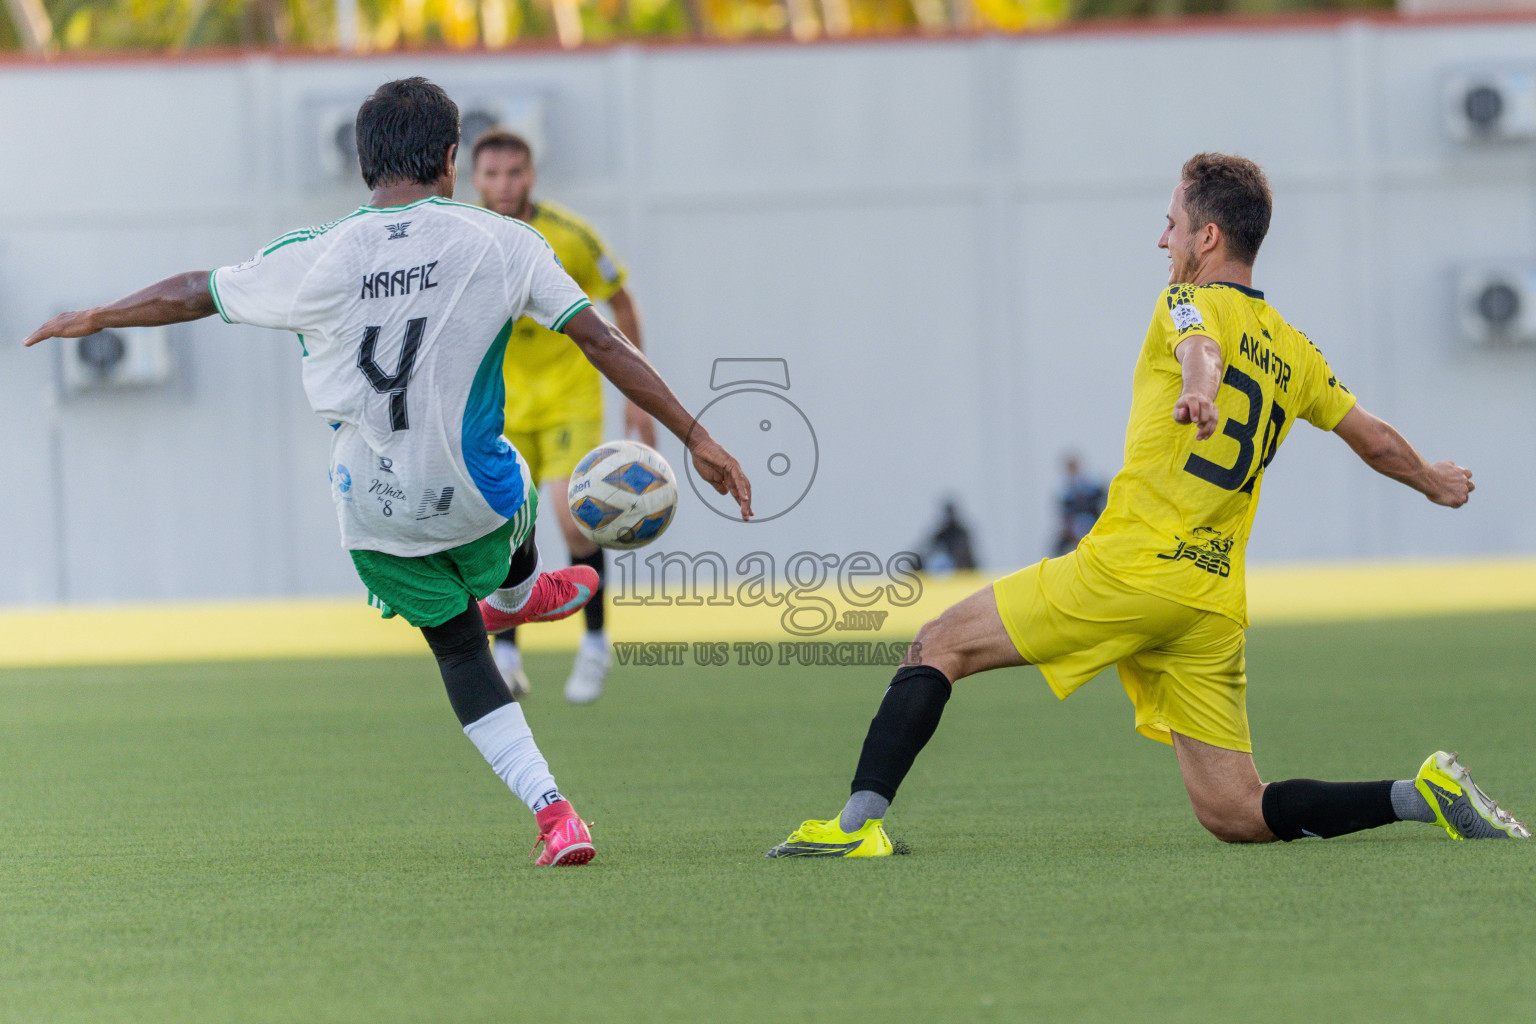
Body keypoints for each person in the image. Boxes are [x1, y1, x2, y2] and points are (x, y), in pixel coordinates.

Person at [23, 77, 753, 868]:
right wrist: (696, 436)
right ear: (451, 159)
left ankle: (555, 815)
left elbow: (194, 291)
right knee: (510, 477)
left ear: (365, 166)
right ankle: (518, 592)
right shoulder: (501, 241)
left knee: (461, 655)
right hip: (477, 497)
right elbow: (603, 342)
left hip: (371, 512)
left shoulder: (320, 253)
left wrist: (97, 315)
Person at [767, 152, 1526, 858]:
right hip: (1209, 601)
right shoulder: (1297, 350)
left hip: (1130, 569)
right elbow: (1374, 438)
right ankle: (1420, 795)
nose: (1161, 238)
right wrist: (1432, 479)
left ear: (1208, 234)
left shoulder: (1188, 302)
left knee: (939, 642)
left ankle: (855, 827)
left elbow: (1202, 351)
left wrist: (1199, 391)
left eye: (1171, 223)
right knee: (1235, 811)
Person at [471, 129, 649, 705]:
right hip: (497, 403)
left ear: (532, 176)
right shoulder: (463, 235)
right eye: (492, 174)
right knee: (496, 524)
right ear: (475, 177)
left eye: (514, 173)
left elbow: (619, 296)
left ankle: (595, 645)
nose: (503, 185)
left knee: (572, 518)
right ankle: (507, 654)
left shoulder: (569, 236)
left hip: (568, 398)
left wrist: (636, 396)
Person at [1054, 455, 1107, 556]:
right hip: (1073, 528)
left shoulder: (1091, 484)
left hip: (1093, 523)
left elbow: (1100, 500)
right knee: (1059, 546)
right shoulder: (1064, 491)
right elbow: (1064, 514)